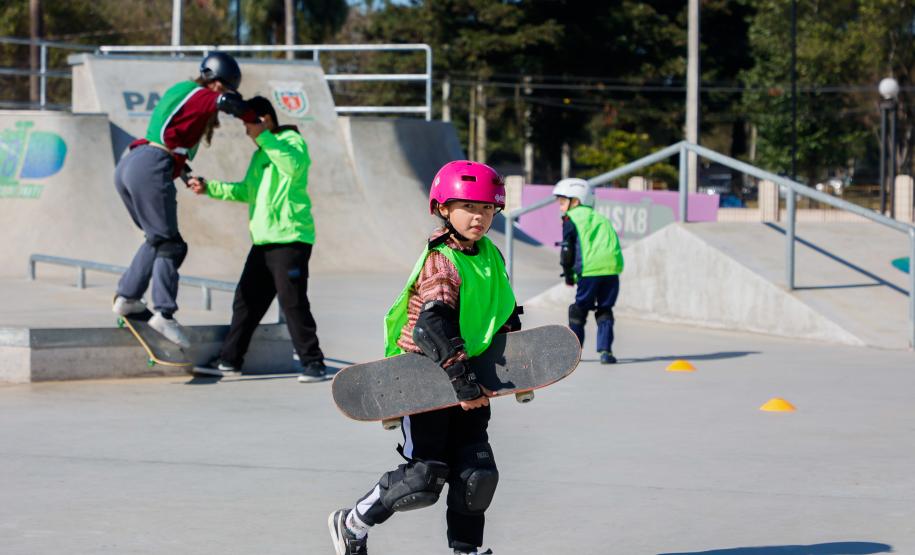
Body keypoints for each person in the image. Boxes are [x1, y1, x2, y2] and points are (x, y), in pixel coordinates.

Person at [327, 160, 522, 555]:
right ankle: (353, 523)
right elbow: (433, 327)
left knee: (477, 476)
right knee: (425, 476)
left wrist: (513, 357)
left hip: (468, 375)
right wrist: (465, 383)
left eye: (487, 208)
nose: (479, 217)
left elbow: (504, 311)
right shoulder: (442, 259)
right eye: (468, 207)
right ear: (444, 209)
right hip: (425, 380)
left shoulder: (490, 256)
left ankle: (466, 551)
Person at [112, 52, 257, 348]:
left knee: (156, 238)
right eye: (226, 88)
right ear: (218, 83)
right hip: (152, 167)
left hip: (133, 164)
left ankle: (127, 297)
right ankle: (164, 314)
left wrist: (185, 174)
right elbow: (227, 104)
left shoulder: (183, 93)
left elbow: (169, 139)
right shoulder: (204, 94)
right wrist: (255, 117)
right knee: (171, 244)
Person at [186, 96, 327, 382]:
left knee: (292, 301)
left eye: (249, 125)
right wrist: (209, 187)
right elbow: (247, 191)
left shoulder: (291, 141)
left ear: (265, 120)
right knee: (246, 300)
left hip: (290, 238)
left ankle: (314, 363)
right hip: (263, 242)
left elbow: (293, 166)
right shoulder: (261, 154)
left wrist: (264, 135)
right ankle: (229, 360)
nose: (247, 132)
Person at [552, 178, 624, 364]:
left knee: (578, 310)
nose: (560, 207)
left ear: (575, 201)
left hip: (590, 271)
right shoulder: (601, 218)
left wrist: (568, 274)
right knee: (605, 310)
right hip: (611, 270)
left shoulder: (571, 218)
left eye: (562, 202)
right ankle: (606, 352)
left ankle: (574, 353)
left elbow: (567, 249)